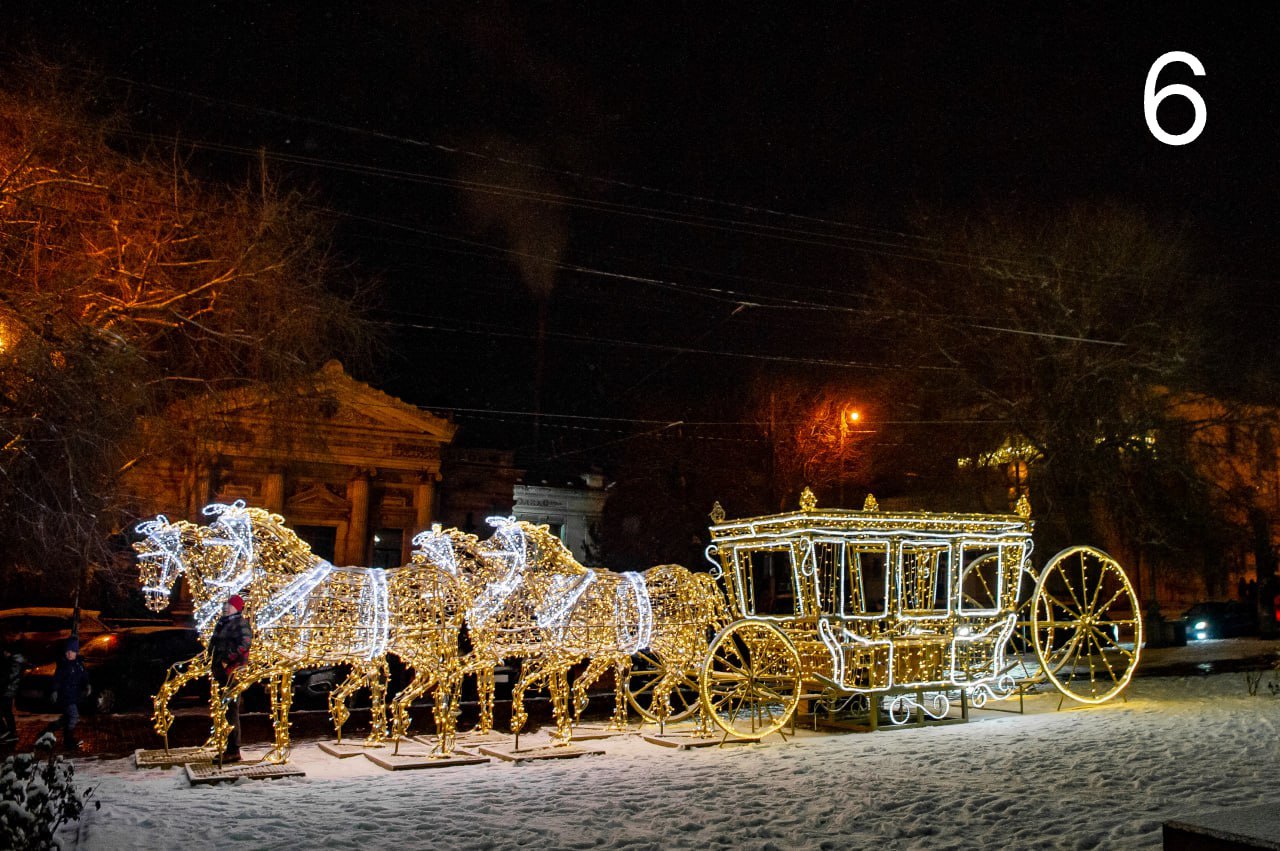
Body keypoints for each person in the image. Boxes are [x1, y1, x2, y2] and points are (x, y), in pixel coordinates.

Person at [210, 594, 252, 762]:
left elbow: (245, 643)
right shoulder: (223, 623)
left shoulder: (240, 623)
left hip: (232, 672)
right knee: (225, 710)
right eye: (225, 605)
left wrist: (228, 659)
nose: (226, 607)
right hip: (221, 671)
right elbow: (215, 644)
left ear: (237, 608)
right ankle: (228, 747)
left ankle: (233, 749)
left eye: (230, 605)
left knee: (231, 710)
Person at [51, 637, 89, 751]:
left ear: (76, 652)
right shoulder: (63, 665)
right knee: (74, 716)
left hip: (75, 695)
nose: (69, 654)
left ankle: (58, 731)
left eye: (71, 651)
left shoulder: (78, 664)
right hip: (66, 696)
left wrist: (87, 685)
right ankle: (68, 739)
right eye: (67, 651)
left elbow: (84, 676)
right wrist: (55, 690)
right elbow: (57, 679)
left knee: (68, 717)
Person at [0, 636, 24, 744]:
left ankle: (8, 732)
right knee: (7, 712)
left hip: (8, 691)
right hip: (8, 690)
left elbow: (9, 677)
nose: (4, 653)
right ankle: (9, 733)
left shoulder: (14, 662)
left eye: (5, 652)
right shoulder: (12, 660)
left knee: (6, 712)